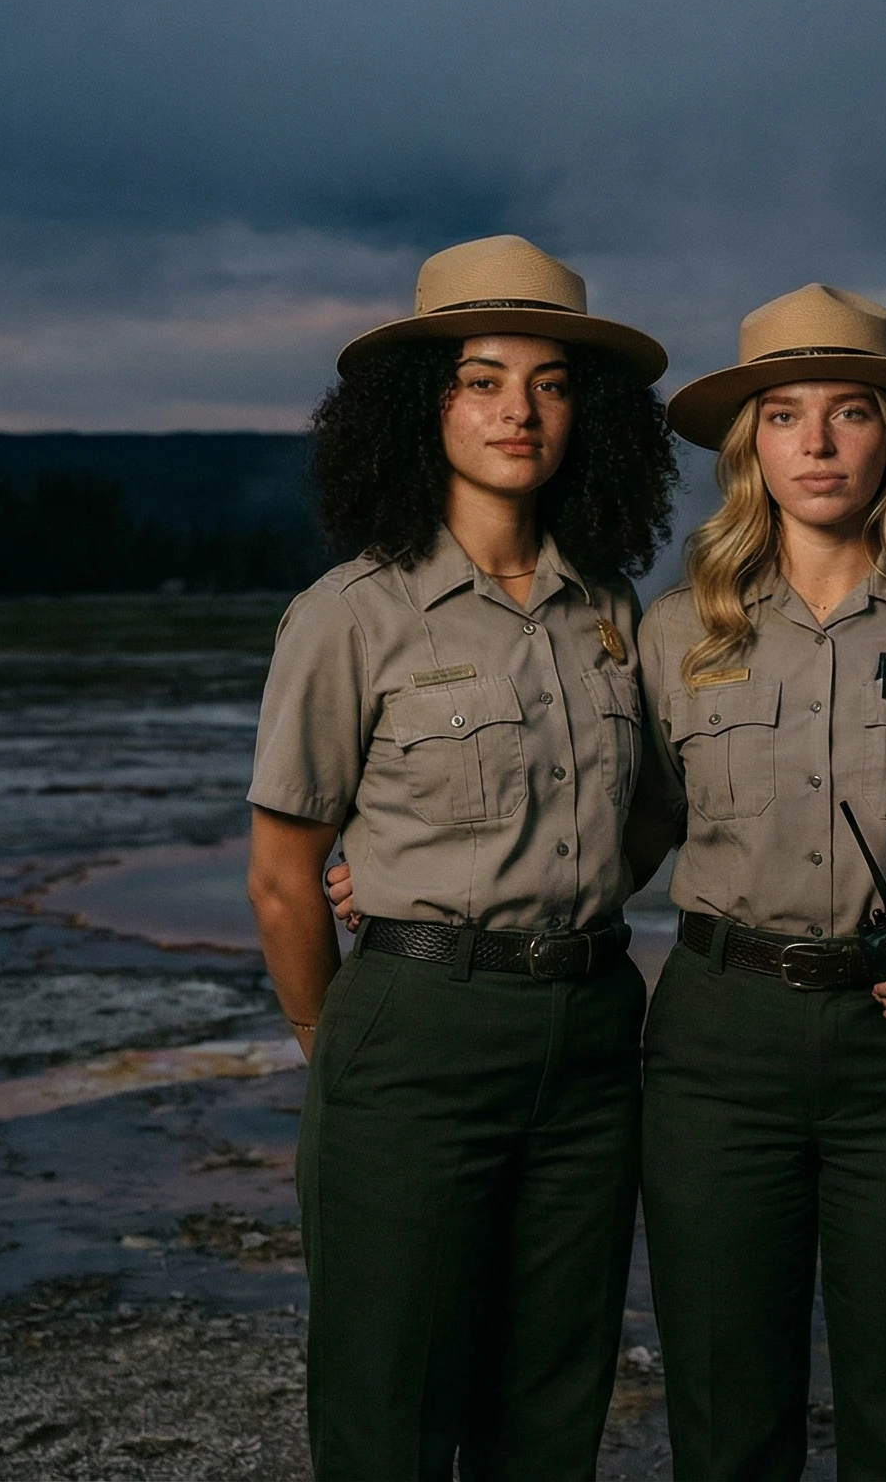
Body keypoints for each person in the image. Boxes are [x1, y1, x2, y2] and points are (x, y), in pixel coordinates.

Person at [243, 234, 676, 1481]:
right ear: (420, 405)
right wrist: (354, 1055)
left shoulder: (609, 610)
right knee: (389, 1410)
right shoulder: (352, 613)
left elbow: (646, 810)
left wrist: (561, 887)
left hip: (592, 1035)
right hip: (414, 1034)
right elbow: (284, 878)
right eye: (481, 379)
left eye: (548, 384)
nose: (518, 411)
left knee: (551, 1412)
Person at [629, 283, 886, 1481]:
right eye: (785, 414)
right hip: (719, 1044)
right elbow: (620, 834)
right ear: (749, 445)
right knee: (724, 1411)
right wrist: (400, 871)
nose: (816, 442)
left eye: (849, 412)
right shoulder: (677, 633)